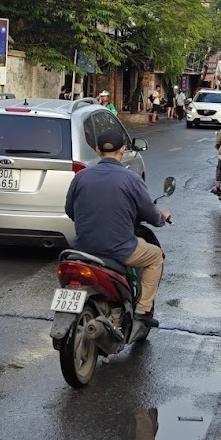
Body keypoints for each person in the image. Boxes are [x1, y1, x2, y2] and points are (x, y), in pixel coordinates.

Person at [65, 127, 170, 338]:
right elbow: (151, 214)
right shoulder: (131, 179)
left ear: (97, 150)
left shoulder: (81, 177)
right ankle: (142, 312)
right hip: (119, 249)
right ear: (123, 150)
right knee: (155, 257)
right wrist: (162, 216)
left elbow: (70, 210)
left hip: (83, 249)